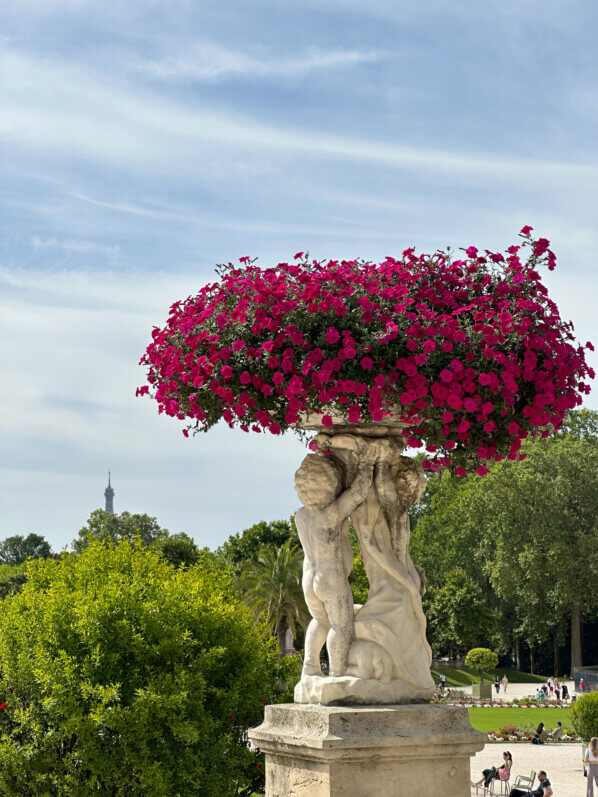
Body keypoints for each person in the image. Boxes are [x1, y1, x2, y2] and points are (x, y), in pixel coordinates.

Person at [294, 436, 382, 677]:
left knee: (319, 621)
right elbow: (358, 493)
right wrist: (366, 464)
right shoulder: (330, 514)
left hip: (309, 580)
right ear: (328, 484)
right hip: (330, 578)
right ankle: (338, 674)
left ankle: (310, 667)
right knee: (341, 626)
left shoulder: (301, 516)